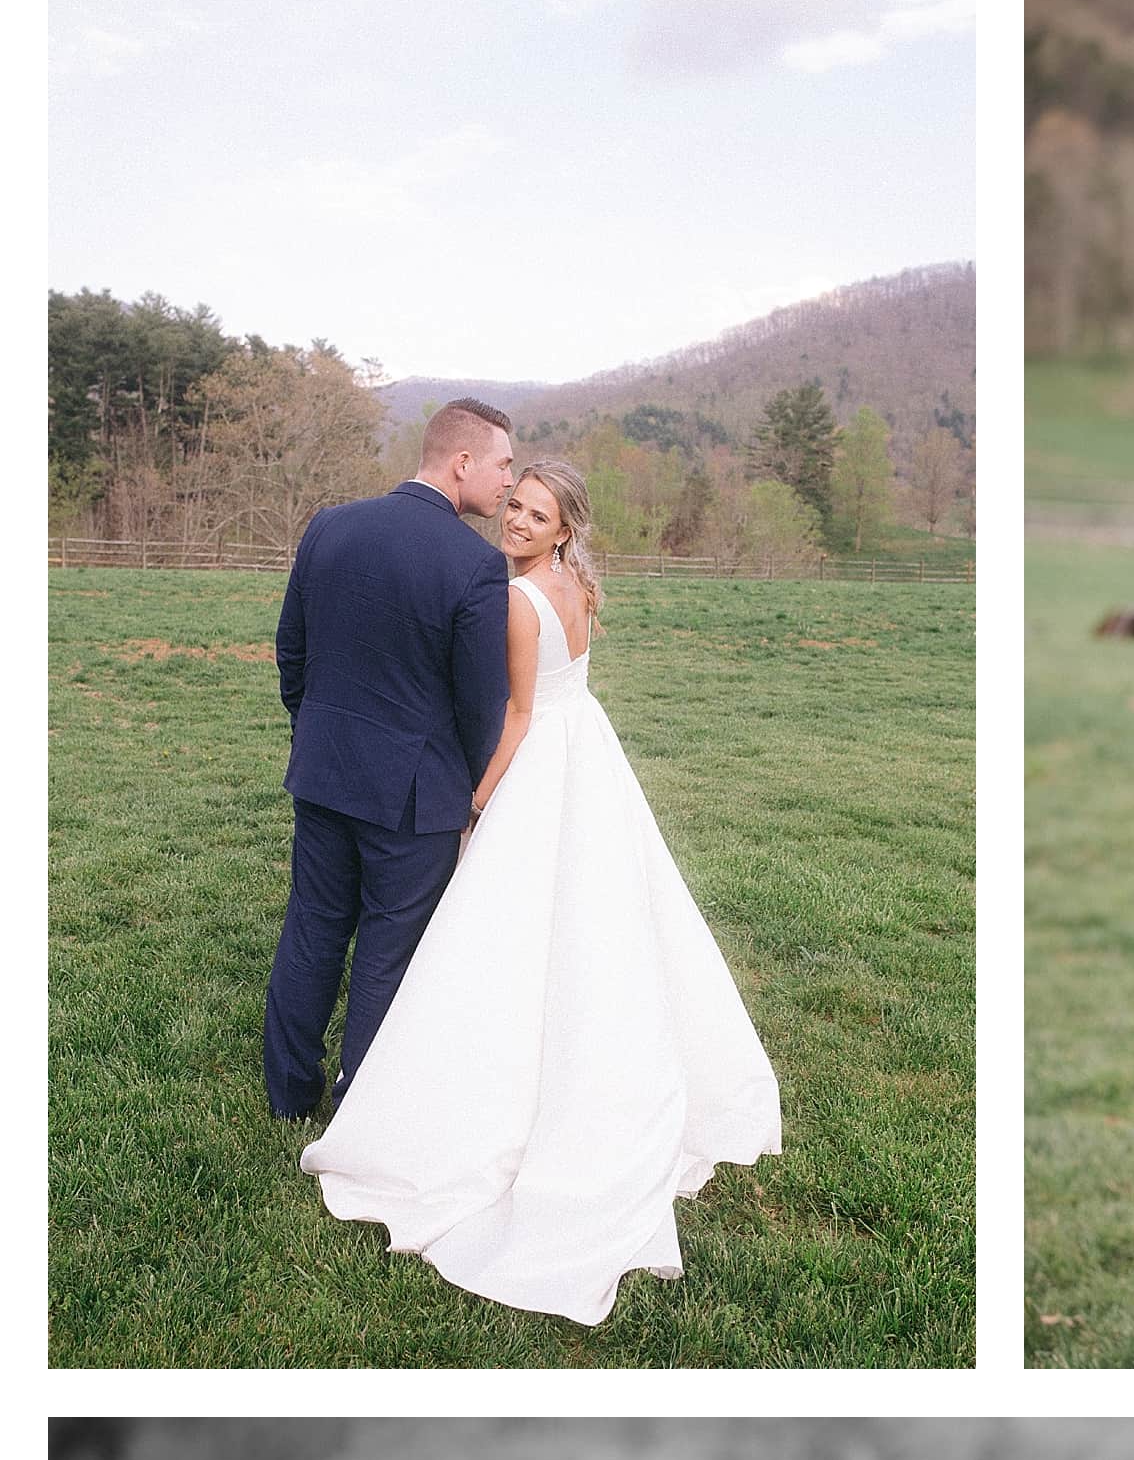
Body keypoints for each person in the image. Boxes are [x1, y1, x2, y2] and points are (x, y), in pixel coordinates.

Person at [301, 459, 781, 1324]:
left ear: (565, 527)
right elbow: (565, 696)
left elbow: (516, 715)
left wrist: (476, 804)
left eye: (535, 513)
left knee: (510, 933)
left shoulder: (519, 599)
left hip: (541, 764)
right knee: (599, 924)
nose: (516, 521)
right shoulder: (578, 589)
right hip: (589, 754)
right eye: (513, 505)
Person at [265, 399, 514, 1117]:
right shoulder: (476, 565)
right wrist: (464, 789)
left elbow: (292, 652)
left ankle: (288, 1092)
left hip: (323, 770)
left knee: (312, 925)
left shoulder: (329, 526)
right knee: (386, 950)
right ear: (462, 462)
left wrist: (314, 732)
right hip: (413, 798)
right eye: (502, 465)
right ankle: (360, 1107)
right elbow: (481, 706)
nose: (506, 482)